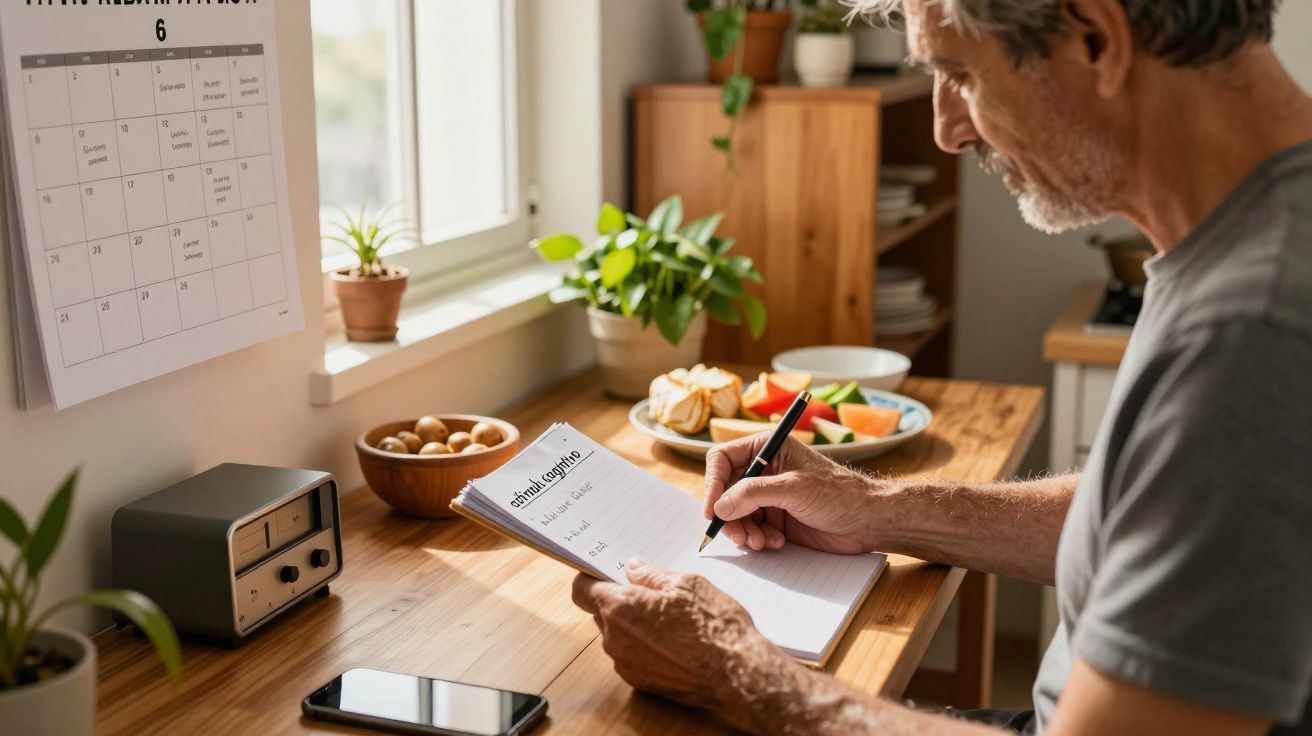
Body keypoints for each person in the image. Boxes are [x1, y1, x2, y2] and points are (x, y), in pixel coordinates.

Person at [572, 0, 1312, 733]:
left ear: (1096, 38)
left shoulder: (1254, 325)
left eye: (960, 73)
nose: (947, 131)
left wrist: (736, 670)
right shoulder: (1255, 232)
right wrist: (879, 511)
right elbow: (1159, 510)